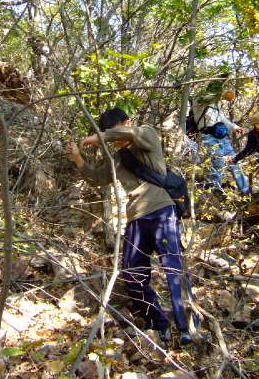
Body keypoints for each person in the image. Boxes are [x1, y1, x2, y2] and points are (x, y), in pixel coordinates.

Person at [66, 107, 194, 346]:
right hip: (136, 217)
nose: (113, 138)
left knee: (172, 268)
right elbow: (97, 178)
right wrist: (77, 158)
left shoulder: (146, 134)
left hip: (162, 210)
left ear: (128, 122)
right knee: (132, 272)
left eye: (114, 131)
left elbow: (131, 133)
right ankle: (159, 323)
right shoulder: (117, 158)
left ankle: (186, 326)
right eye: (108, 133)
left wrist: (100, 136)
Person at [201, 122, 250, 195]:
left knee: (235, 161)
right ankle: (215, 189)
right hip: (209, 136)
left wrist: (235, 127)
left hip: (223, 137)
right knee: (218, 162)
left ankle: (245, 190)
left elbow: (222, 118)